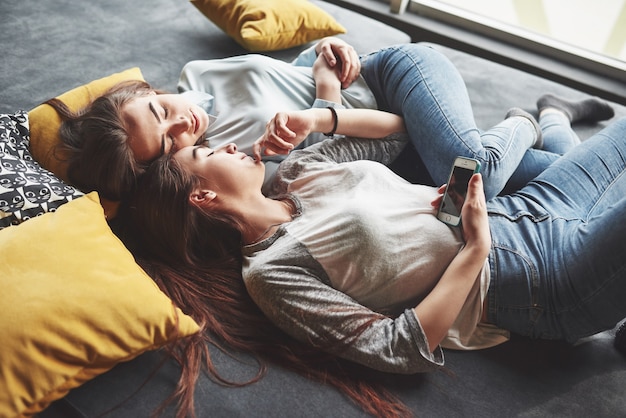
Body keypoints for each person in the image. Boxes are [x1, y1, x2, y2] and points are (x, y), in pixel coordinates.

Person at [120, 97, 624, 417]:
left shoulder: (298, 170)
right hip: (538, 283)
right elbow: (399, 348)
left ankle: (551, 117)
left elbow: (400, 133)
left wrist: (317, 117)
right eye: (210, 155)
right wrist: (473, 250)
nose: (228, 145)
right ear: (202, 197)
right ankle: (541, 121)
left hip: (523, 208)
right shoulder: (272, 273)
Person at [46, 37, 613, 203]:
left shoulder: (201, 70)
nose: (182, 124)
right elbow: (342, 134)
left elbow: (304, 72)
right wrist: (319, 105)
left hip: (392, 77)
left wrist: (330, 50)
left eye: (160, 109)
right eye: (168, 143)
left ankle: (522, 124)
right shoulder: (238, 160)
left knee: (472, 173)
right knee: (559, 181)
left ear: (149, 89)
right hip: (394, 140)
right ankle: (553, 116)